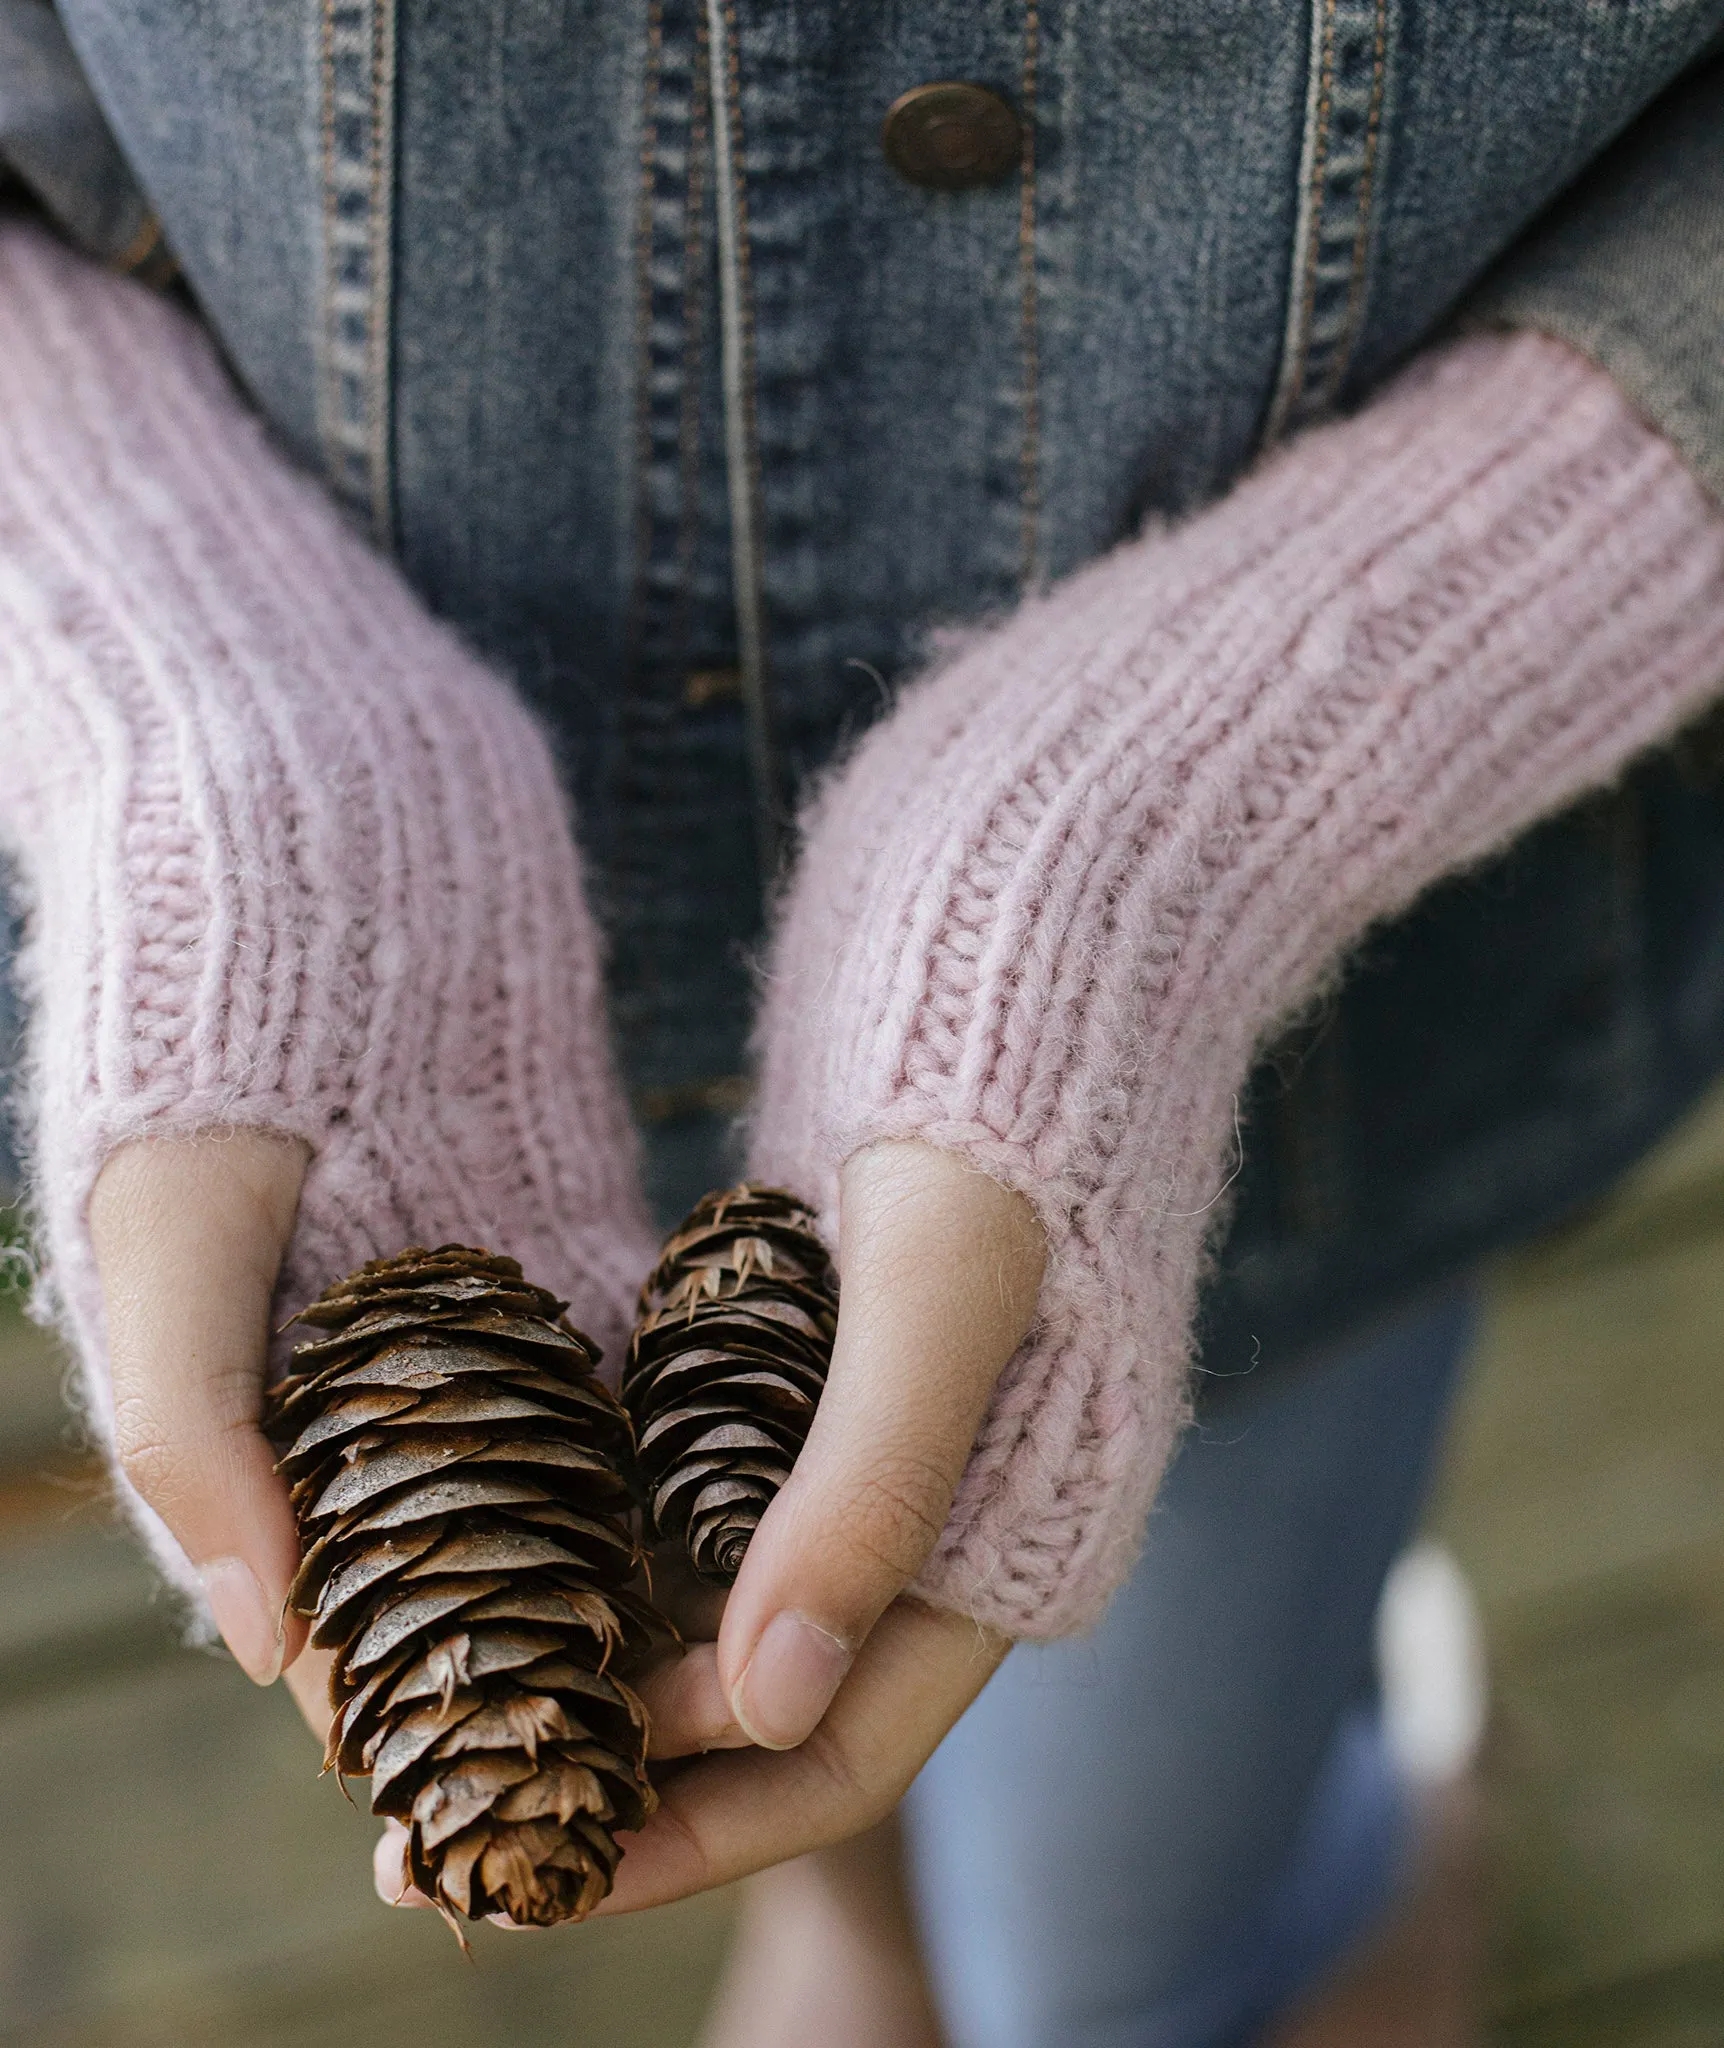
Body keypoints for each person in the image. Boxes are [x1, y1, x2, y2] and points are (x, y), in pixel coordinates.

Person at [4, 4, 1724, 2041]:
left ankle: (1302, 1910)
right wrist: (189, 690)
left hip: (1294, 1094)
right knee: (761, 1638)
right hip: (389, 1087)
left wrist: (1171, 799)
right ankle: (874, 1922)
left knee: (1125, 1916)